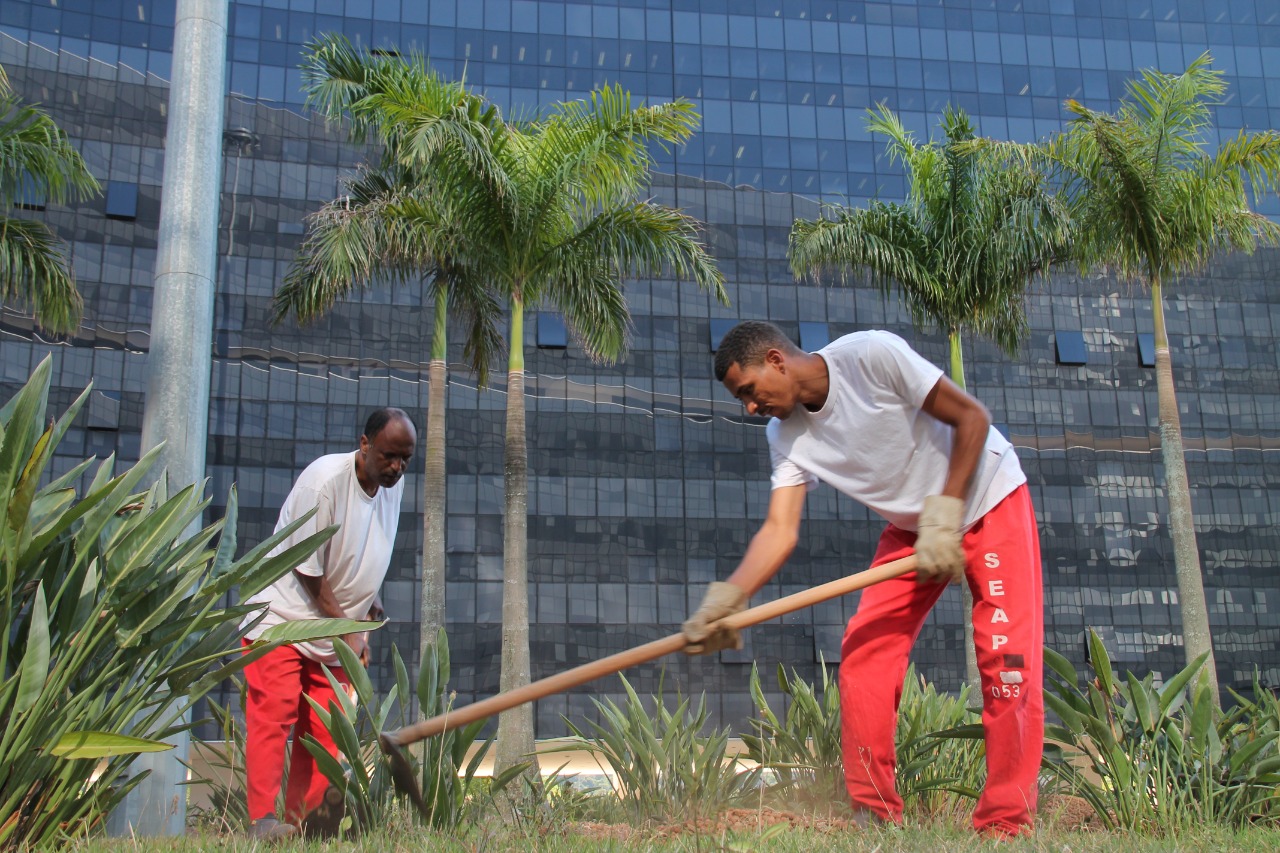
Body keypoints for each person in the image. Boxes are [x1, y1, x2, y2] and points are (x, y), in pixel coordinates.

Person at [684, 321, 1042, 837]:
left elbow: (972, 418)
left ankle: (1006, 824)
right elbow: (780, 530)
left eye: (749, 391)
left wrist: (947, 513)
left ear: (776, 360)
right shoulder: (783, 436)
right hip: (914, 530)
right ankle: (875, 815)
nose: (750, 407)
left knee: (1006, 662)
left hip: (989, 498)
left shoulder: (870, 355)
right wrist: (729, 597)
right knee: (864, 655)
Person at [240, 407, 416, 840]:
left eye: (405, 458)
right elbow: (308, 571)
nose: (397, 467)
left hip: (334, 627)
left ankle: (307, 828)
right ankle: (263, 822)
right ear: (364, 444)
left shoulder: (393, 485)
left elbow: (359, 546)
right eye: (390, 455)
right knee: (275, 715)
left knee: (325, 729)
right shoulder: (324, 482)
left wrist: (368, 606)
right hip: (282, 621)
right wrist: (351, 634)